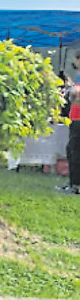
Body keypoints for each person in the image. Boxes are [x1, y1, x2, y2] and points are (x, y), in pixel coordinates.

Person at [58, 51, 80, 195]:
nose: (74, 63)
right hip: (75, 117)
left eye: (75, 60)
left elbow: (77, 96)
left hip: (78, 119)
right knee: (71, 150)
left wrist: (71, 92)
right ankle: (73, 183)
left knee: (74, 151)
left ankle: (76, 185)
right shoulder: (78, 76)